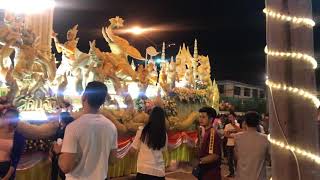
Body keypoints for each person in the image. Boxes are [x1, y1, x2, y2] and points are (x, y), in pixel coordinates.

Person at [57, 81, 118, 180]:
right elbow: (113, 160)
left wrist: (59, 153)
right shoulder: (111, 127)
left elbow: (66, 166)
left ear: (84, 96)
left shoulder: (73, 127)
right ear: (103, 101)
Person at [130, 106, 168, 180]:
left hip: (144, 170)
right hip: (159, 171)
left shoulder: (142, 131)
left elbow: (132, 150)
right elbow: (163, 150)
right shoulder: (164, 134)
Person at [234, 111, 270, 180]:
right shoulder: (265, 138)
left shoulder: (237, 137)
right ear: (258, 123)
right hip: (259, 177)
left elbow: (236, 156)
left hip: (241, 176)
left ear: (245, 122)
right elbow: (268, 158)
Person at [196, 107, 221, 180]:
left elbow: (214, 156)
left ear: (211, 119)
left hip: (210, 174)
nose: (200, 119)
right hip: (204, 172)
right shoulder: (205, 131)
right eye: (200, 117)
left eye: (203, 117)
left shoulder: (212, 133)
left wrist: (198, 162)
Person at [0, 108, 25, 180]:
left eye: (11, 118)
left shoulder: (18, 137)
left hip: (5, 168)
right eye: (7, 118)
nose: (8, 121)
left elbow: (15, 160)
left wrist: (7, 177)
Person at [50, 112, 74, 180]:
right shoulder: (60, 127)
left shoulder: (69, 128)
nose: (58, 119)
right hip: (56, 152)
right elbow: (55, 138)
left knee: (62, 173)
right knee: (54, 171)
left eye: (59, 117)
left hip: (63, 152)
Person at [224, 111, 241, 178]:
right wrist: (234, 134)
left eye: (231, 117)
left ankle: (237, 173)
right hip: (229, 144)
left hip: (236, 144)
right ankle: (231, 172)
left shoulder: (238, 125)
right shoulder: (227, 126)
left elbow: (240, 132)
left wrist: (230, 133)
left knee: (236, 159)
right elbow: (226, 135)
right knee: (229, 160)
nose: (230, 118)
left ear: (234, 117)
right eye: (229, 117)